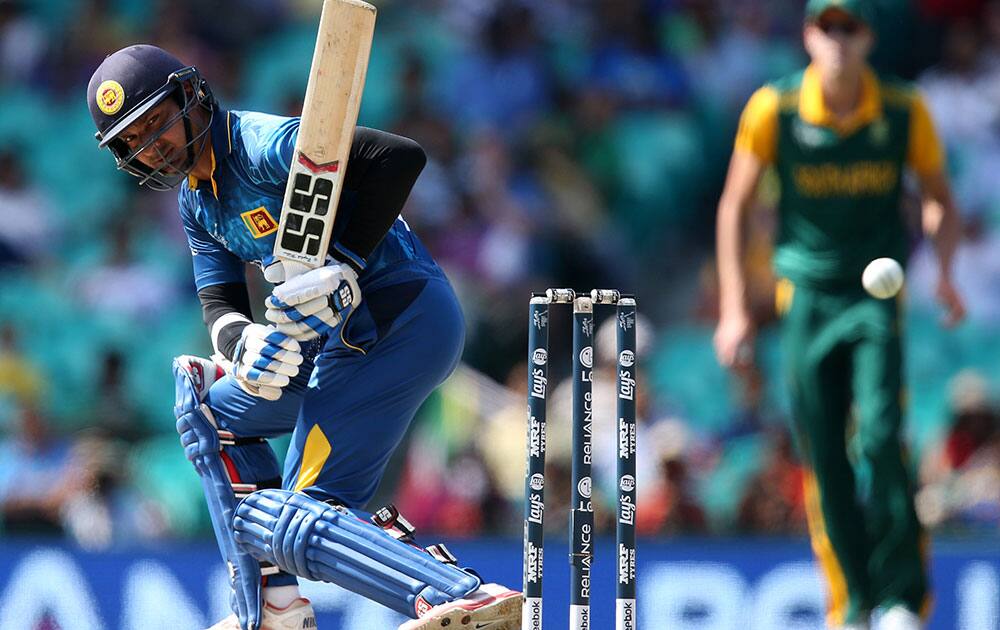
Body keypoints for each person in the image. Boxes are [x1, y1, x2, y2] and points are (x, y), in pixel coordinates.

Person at [88, 44, 521, 630]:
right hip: (332, 344)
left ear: (192, 96)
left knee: (292, 515)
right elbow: (219, 301)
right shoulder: (198, 201)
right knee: (207, 412)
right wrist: (244, 342)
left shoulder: (261, 146)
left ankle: (455, 594)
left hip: (399, 322)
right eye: (134, 139)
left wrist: (343, 259)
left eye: (157, 120)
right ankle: (271, 610)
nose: (153, 144)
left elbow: (397, 157)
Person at [713, 2, 965, 629]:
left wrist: (946, 274)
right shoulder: (776, 108)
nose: (838, 41)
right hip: (805, 294)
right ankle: (853, 604)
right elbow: (734, 207)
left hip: (876, 298)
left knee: (881, 438)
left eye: (850, 28)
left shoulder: (904, 111)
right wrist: (735, 308)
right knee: (824, 456)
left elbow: (938, 200)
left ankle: (903, 598)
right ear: (807, 36)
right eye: (827, 28)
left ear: (869, 38)